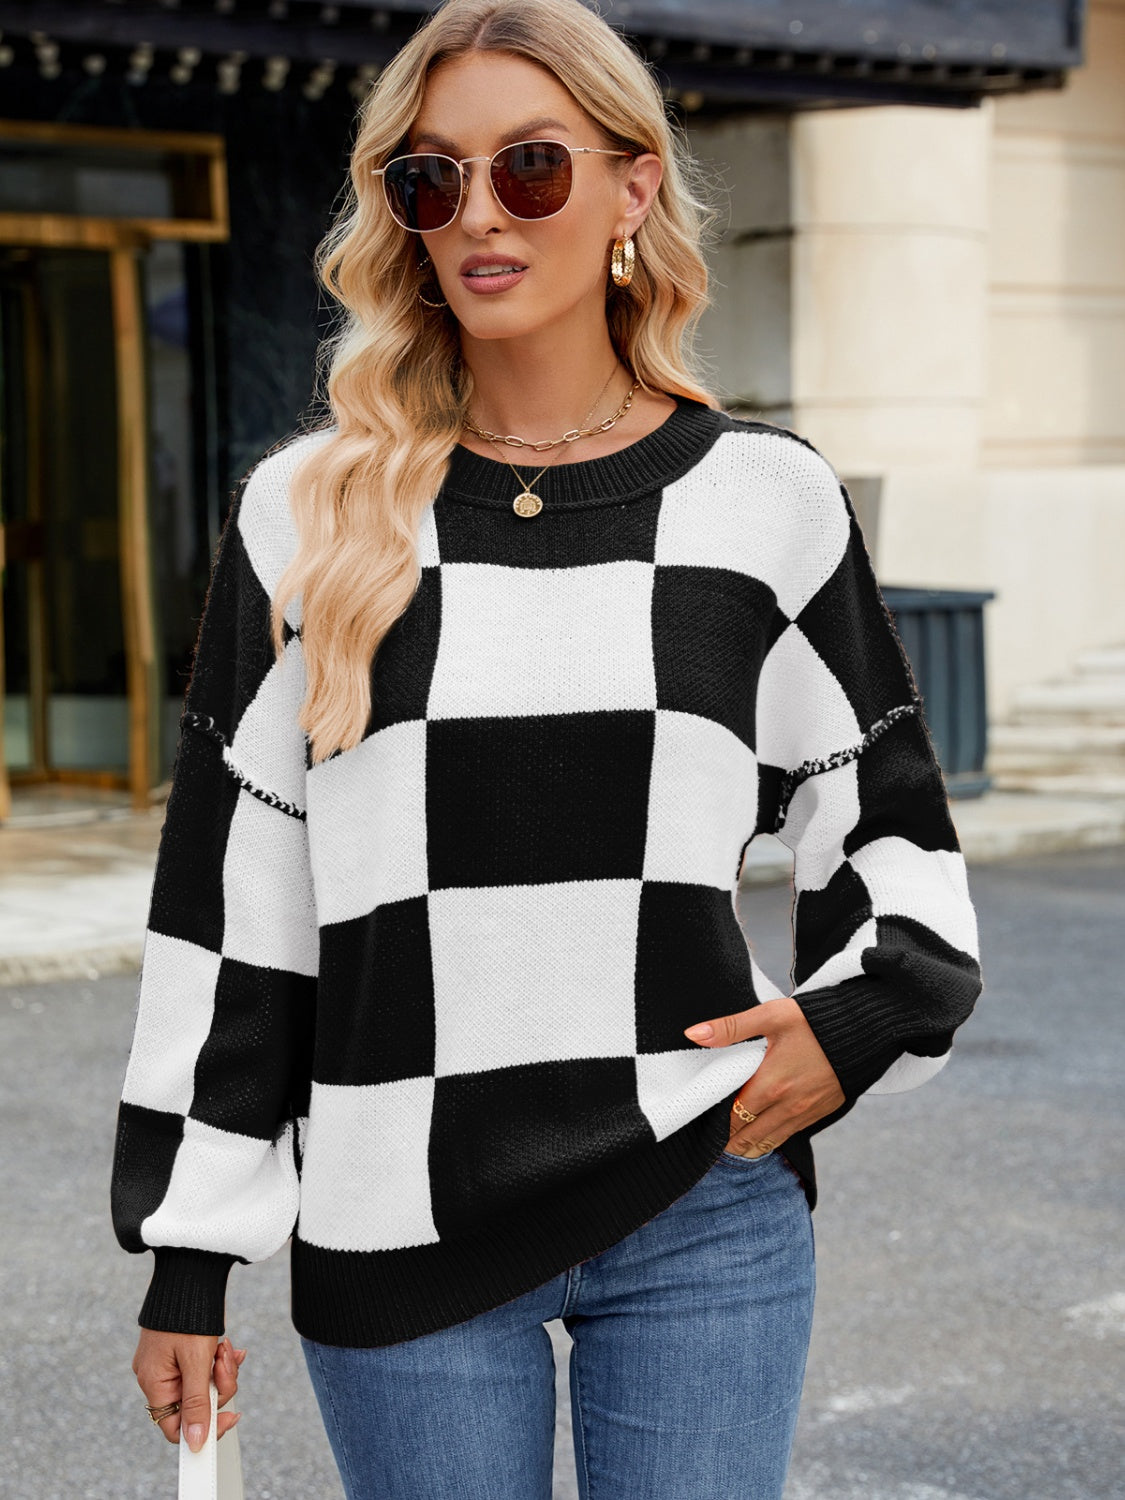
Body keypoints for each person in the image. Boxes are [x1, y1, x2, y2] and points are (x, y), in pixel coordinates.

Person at [111, 1, 984, 1496]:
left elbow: (888, 825)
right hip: (398, 1215)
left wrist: (857, 1022)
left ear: (632, 187)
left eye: (528, 166)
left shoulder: (761, 502)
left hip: (700, 1197)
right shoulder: (310, 513)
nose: (477, 214)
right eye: (429, 179)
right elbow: (237, 902)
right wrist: (190, 1252)